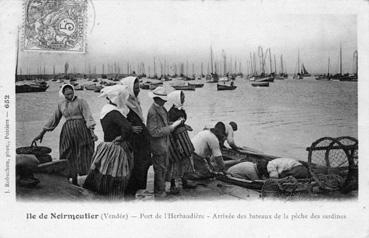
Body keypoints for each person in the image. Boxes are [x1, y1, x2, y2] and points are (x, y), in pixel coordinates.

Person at [33, 84, 96, 185]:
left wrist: (92, 132)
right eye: (67, 95)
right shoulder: (61, 104)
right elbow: (53, 120)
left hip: (82, 130)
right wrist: (41, 133)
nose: (69, 96)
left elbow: (88, 116)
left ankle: (88, 180)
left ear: (73, 92)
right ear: (63, 94)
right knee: (67, 153)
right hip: (68, 132)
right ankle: (73, 180)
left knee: (84, 153)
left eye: (71, 93)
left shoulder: (81, 101)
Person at [83, 85, 133, 197]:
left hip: (106, 146)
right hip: (116, 148)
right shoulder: (114, 112)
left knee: (103, 173)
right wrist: (122, 137)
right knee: (116, 176)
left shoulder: (106, 109)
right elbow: (127, 127)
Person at [146, 86, 183, 198]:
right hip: (157, 145)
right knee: (159, 168)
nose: (165, 101)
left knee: (164, 167)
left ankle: (162, 189)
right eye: (163, 99)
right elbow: (153, 132)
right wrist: (171, 128)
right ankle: (159, 192)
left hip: (164, 144)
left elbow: (164, 124)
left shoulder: (162, 109)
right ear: (157, 99)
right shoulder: (152, 112)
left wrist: (174, 124)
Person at [120, 76, 152, 196]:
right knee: (134, 167)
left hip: (141, 141)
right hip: (133, 142)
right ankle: (130, 194)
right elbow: (121, 122)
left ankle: (135, 192)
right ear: (128, 88)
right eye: (135, 88)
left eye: (138, 88)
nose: (138, 90)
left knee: (143, 165)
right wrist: (130, 128)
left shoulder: (135, 101)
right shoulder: (124, 103)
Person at [166, 90, 197, 194]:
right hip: (176, 139)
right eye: (182, 97)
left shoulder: (180, 109)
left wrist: (185, 126)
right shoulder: (171, 113)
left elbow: (180, 122)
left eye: (183, 97)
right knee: (175, 161)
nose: (184, 99)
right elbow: (171, 127)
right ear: (177, 99)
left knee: (185, 159)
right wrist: (177, 143)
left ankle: (184, 181)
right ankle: (173, 185)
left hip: (183, 137)